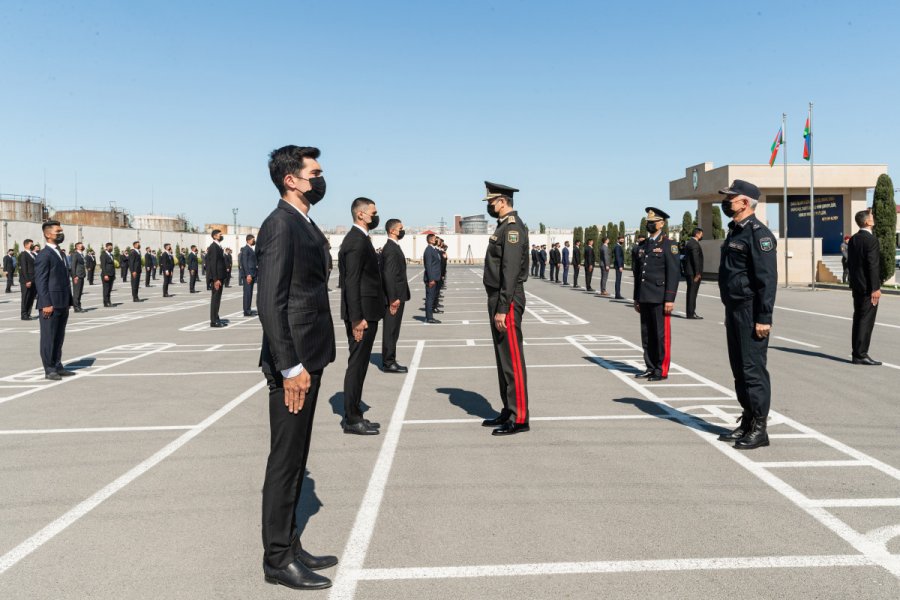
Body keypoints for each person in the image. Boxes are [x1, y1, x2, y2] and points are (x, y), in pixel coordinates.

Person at [257, 145, 336, 591]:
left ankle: (290, 542)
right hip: (295, 363)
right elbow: (271, 303)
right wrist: (289, 367)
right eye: (315, 173)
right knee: (286, 462)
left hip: (310, 355)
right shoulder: (280, 225)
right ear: (292, 179)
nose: (321, 180)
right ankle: (276, 559)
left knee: (298, 453)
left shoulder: (302, 221)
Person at [716, 180, 777, 450]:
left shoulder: (758, 234)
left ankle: (759, 428)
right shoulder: (735, 231)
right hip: (734, 308)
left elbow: (767, 279)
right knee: (739, 369)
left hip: (751, 311)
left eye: (730, 198)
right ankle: (748, 419)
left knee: (752, 370)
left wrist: (764, 317)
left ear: (745, 202)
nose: (726, 202)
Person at [481, 181, 530, 436]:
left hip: (507, 300)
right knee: (503, 360)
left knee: (512, 360)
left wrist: (503, 307)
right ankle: (508, 409)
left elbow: (510, 272)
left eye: (491, 202)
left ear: (502, 201)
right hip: (500, 298)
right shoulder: (503, 227)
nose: (489, 206)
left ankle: (519, 416)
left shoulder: (512, 229)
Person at [338, 197, 384, 436]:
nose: (376, 216)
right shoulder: (355, 241)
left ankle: (355, 413)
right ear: (361, 215)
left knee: (360, 364)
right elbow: (351, 282)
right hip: (362, 316)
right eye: (373, 213)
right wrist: (357, 318)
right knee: (356, 366)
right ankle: (352, 418)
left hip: (367, 312)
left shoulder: (361, 239)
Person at [633, 208, 680, 382]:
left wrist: (669, 298)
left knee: (661, 335)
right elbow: (639, 274)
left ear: (662, 223)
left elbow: (674, 274)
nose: (650, 224)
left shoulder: (669, 245)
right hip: (645, 297)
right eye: (648, 221)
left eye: (653, 221)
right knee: (647, 334)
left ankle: (661, 369)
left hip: (660, 298)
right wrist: (636, 297)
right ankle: (650, 366)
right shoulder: (643, 245)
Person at [34, 221, 76, 381]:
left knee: (59, 336)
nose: (61, 234)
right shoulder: (44, 255)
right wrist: (46, 303)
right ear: (48, 234)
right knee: (48, 337)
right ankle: (49, 368)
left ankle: (58, 364)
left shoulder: (61, 253)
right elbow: (41, 281)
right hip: (50, 303)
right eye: (58, 231)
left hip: (62, 301)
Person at [847, 209, 882, 366]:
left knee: (859, 319)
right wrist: (875, 288)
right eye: (871, 217)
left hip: (857, 286)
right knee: (866, 320)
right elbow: (872, 265)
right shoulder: (871, 240)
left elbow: (852, 264)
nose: (873, 218)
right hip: (868, 288)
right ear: (867, 222)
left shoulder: (854, 239)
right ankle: (861, 354)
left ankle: (857, 353)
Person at [380, 218, 410, 374]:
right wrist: (393, 298)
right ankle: (388, 362)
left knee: (394, 330)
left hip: (397, 296)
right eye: (400, 228)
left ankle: (390, 358)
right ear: (392, 230)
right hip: (394, 298)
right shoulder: (391, 249)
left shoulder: (393, 247)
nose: (402, 230)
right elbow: (389, 275)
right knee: (391, 330)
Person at [682, 227, 704, 319]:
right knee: (692, 293)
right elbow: (695, 259)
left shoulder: (689, 243)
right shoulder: (694, 244)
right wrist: (697, 273)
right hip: (693, 273)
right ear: (697, 234)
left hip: (689, 272)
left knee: (691, 292)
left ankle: (690, 313)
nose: (702, 235)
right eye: (701, 234)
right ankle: (691, 313)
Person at [206, 230, 226, 327]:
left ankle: (216, 317)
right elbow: (213, 264)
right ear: (214, 236)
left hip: (220, 276)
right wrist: (215, 279)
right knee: (215, 299)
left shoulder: (218, 246)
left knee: (218, 299)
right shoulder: (213, 247)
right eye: (220, 234)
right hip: (217, 278)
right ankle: (213, 321)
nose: (221, 236)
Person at [423, 234, 441, 324]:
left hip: (435, 278)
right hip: (432, 279)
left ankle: (429, 316)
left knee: (432, 297)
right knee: (430, 298)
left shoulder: (433, 250)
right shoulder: (428, 250)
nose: (435, 240)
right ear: (430, 240)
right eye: (434, 239)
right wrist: (431, 279)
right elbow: (428, 266)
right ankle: (429, 317)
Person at [239, 234, 258, 316]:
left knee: (250, 293)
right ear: (248, 240)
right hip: (248, 274)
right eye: (253, 240)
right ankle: (246, 311)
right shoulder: (246, 249)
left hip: (252, 273)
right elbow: (244, 263)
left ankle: (248, 309)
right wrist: (248, 274)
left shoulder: (251, 249)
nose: (254, 241)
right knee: (247, 293)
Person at [19, 239, 36, 319]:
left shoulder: (33, 254)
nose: (32, 245)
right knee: (25, 297)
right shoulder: (23, 254)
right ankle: (24, 314)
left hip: (33, 279)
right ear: (26, 245)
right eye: (31, 244)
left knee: (31, 297)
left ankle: (28, 313)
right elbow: (24, 269)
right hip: (27, 280)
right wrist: (27, 280)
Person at [70, 242, 87, 312]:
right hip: (77, 276)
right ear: (77, 247)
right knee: (76, 292)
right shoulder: (75, 254)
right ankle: (76, 307)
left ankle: (79, 306)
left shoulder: (81, 254)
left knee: (80, 292)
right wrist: (74, 276)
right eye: (81, 246)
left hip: (81, 275)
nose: (82, 246)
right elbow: (73, 266)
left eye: (82, 245)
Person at [100, 242, 115, 307]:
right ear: (106, 247)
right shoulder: (103, 255)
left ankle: (109, 301)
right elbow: (103, 265)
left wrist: (114, 275)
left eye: (111, 246)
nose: (111, 248)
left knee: (109, 289)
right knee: (106, 289)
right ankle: (106, 302)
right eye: (109, 247)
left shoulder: (111, 255)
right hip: (106, 274)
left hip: (111, 274)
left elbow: (112, 265)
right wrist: (105, 274)